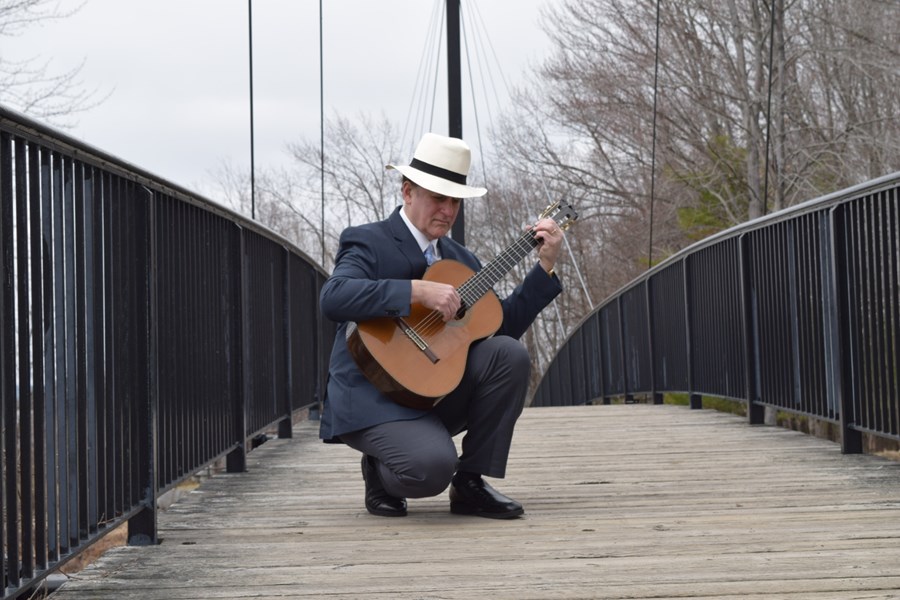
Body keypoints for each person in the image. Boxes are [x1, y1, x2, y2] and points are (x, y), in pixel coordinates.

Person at [319, 132, 565, 519]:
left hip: (432, 389)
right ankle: (380, 469)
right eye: (438, 198)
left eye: (455, 201)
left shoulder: (461, 260)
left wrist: (544, 267)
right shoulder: (368, 241)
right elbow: (334, 297)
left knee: (509, 355)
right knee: (430, 470)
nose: (448, 210)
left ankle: (470, 483)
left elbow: (497, 332)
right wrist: (415, 292)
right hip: (373, 394)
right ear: (408, 191)